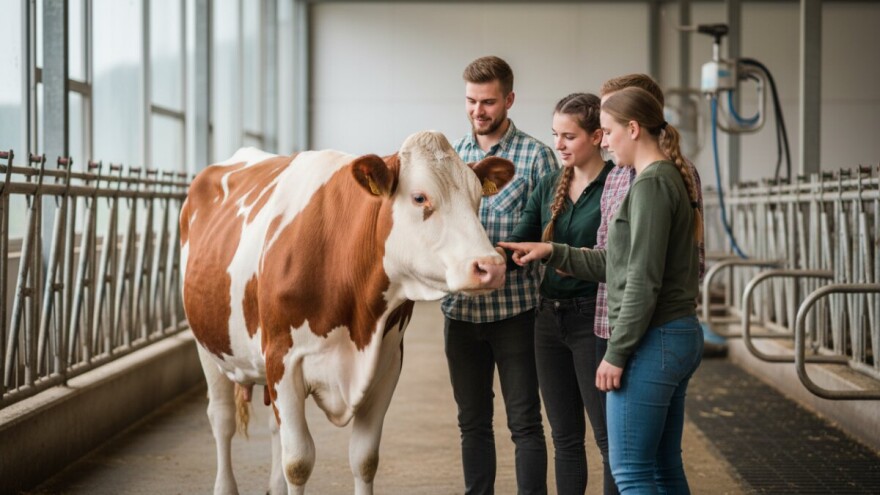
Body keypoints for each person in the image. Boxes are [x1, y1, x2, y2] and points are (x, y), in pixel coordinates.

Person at [499, 86, 704, 493]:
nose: (605, 142)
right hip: (675, 333)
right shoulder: (658, 178)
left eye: (608, 132)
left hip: (657, 336)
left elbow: (641, 281)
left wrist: (616, 352)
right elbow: (617, 262)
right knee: (663, 467)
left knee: (630, 471)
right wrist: (553, 251)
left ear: (633, 129)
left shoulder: (651, 184)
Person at [441, 55, 556, 495]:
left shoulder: (537, 158)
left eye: (488, 102)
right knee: (472, 423)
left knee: (525, 422)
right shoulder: (450, 158)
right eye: (471, 101)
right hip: (461, 315)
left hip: (517, 314)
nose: (478, 111)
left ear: (509, 100)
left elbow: (552, 234)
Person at [504, 93, 617, 495]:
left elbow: (615, 258)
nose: (559, 145)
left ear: (598, 136)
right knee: (565, 437)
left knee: (607, 438)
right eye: (555, 135)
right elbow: (521, 239)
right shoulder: (551, 183)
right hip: (548, 320)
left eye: (569, 136)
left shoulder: (616, 184)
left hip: (593, 320)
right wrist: (490, 260)